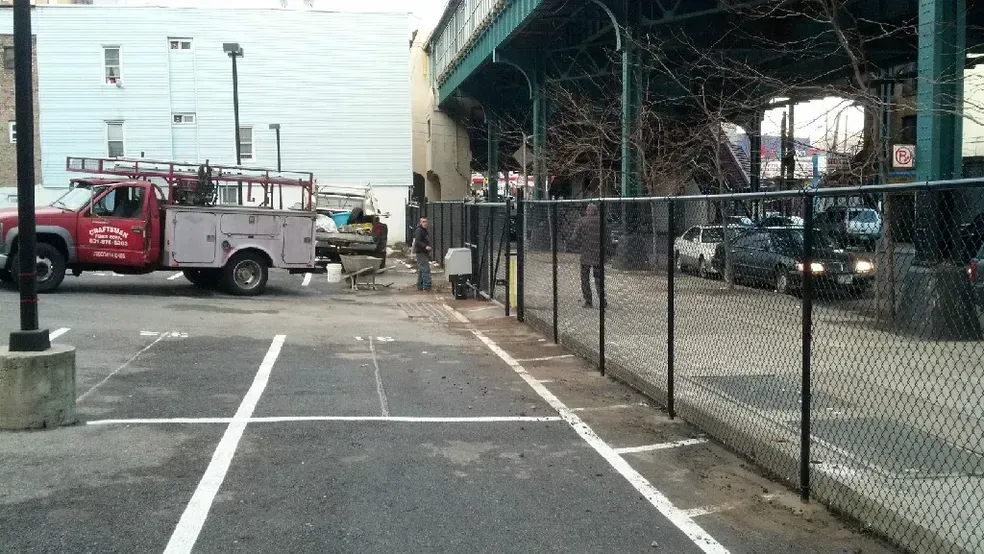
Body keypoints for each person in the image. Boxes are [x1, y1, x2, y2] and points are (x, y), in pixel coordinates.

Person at [570, 203, 608, 308]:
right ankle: (602, 300)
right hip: (598, 255)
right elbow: (607, 238)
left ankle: (588, 301)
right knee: (599, 279)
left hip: (585, 254)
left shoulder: (582, 221)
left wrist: (578, 245)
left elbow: (574, 237)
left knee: (585, 278)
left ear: (587, 211)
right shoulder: (602, 222)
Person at [412, 216, 432, 291]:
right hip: (421, 252)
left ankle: (420, 286)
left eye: (426, 221)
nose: (425, 223)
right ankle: (427, 287)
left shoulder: (423, 230)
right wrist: (425, 246)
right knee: (426, 269)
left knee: (421, 270)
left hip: (423, 252)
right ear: (420, 223)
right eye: (423, 222)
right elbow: (417, 241)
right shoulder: (419, 230)